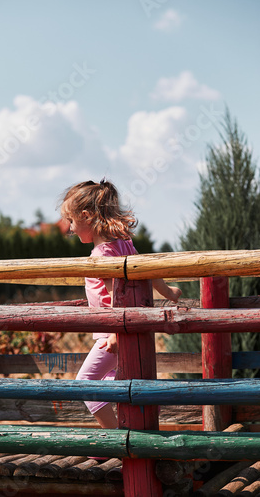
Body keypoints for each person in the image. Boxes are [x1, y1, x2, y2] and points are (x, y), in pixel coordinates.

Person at [60, 179, 182, 429]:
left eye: (71, 221)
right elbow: (145, 271)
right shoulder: (123, 244)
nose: (70, 228)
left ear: (86, 216)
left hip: (113, 332)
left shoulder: (102, 255)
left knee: (85, 384)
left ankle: (116, 437)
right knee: (114, 380)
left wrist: (117, 332)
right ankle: (136, 422)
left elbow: (119, 295)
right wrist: (168, 291)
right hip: (117, 330)